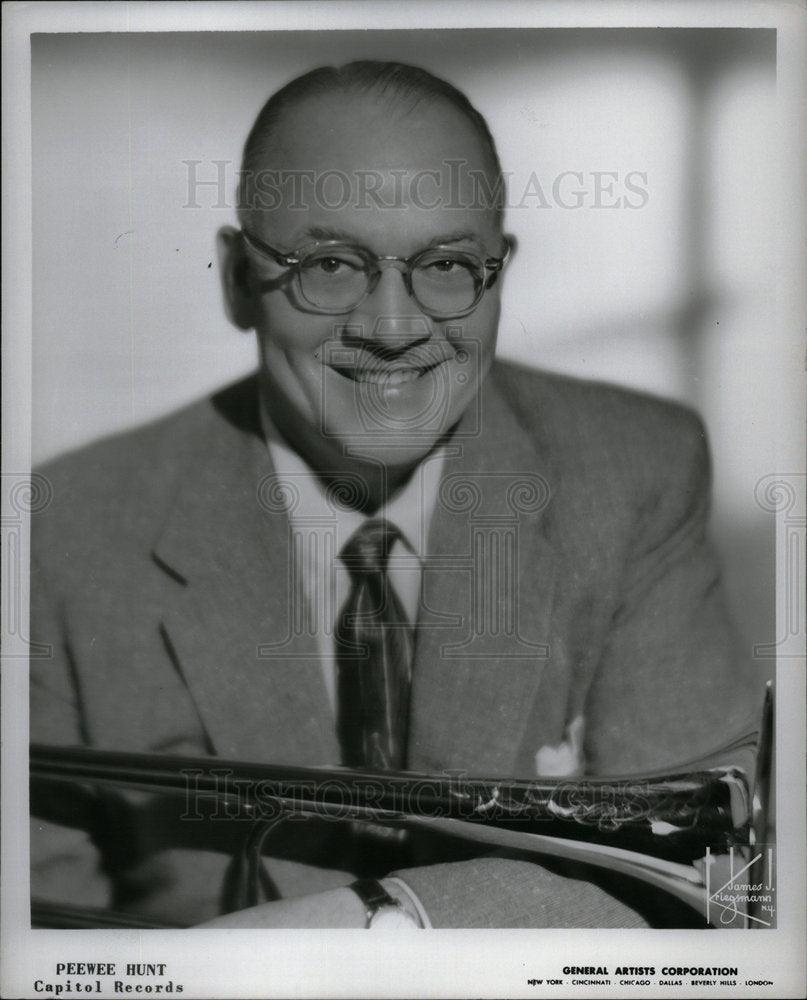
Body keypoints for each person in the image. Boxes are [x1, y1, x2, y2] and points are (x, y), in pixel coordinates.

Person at [30, 61, 761, 929]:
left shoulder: (637, 468)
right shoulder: (63, 528)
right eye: (330, 264)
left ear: (501, 274)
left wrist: (377, 924)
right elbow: (38, 936)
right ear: (233, 279)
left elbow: (709, 887)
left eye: (448, 265)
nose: (392, 328)